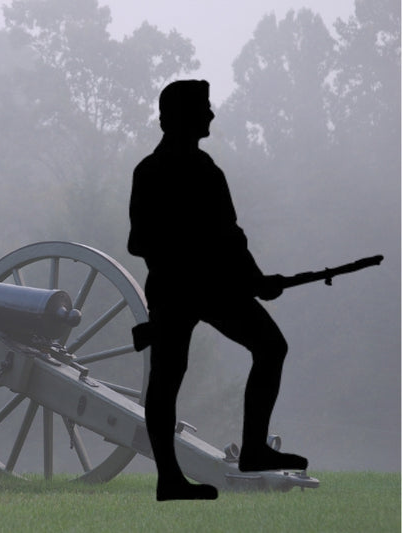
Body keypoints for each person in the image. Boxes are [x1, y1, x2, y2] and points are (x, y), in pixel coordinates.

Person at [128, 79, 308, 501]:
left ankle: (242, 453)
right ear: (182, 117)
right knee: (173, 378)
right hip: (195, 289)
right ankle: (186, 473)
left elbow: (230, 238)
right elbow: (145, 241)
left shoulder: (171, 170)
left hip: (192, 289)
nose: (211, 114)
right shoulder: (187, 172)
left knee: (262, 350)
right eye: (203, 108)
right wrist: (249, 279)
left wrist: (256, 280)